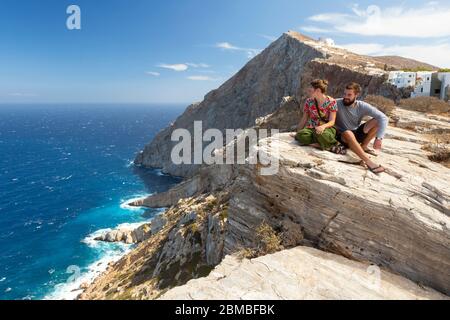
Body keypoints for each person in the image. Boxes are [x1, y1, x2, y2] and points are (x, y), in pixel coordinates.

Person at [335, 82, 388, 174]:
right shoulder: (336, 103)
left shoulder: (361, 105)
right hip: (342, 136)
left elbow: (383, 117)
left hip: (356, 133)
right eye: (344, 94)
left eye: (349, 95)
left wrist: (379, 138)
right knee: (348, 133)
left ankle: (363, 146)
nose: (346, 97)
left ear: (356, 95)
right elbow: (322, 104)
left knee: (377, 121)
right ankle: (370, 163)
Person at [292, 79, 344, 153]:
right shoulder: (309, 101)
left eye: (310, 91)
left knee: (321, 134)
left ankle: (329, 143)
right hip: (312, 128)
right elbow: (304, 118)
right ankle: (322, 144)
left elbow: (332, 121)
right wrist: (297, 133)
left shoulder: (332, 102)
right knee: (301, 135)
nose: (308, 93)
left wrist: (322, 127)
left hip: (326, 128)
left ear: (318, 90)